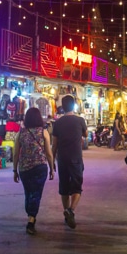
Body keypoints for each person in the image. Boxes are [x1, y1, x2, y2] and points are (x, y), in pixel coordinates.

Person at [13, 107, 55, 235]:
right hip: (39, 167)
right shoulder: (43, 132)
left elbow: (15, 154)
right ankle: (31, 219)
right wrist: (52, 168)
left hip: (25, 168)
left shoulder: (21, 133)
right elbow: (48, 153)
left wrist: (14, 170)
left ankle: (30, 215)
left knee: (28, 192)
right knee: (36, 193)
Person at [51, 95, 87, 229]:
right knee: (77, 186)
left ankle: (66, 212)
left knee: (64, 188)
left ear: (62, 106)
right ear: (74, 105)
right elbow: (86, 135)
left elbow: (54, 145)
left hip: (62, 158)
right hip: (76, 158)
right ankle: (70, 210)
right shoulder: (80, 120)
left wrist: (52, 161)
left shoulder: (58, 123)